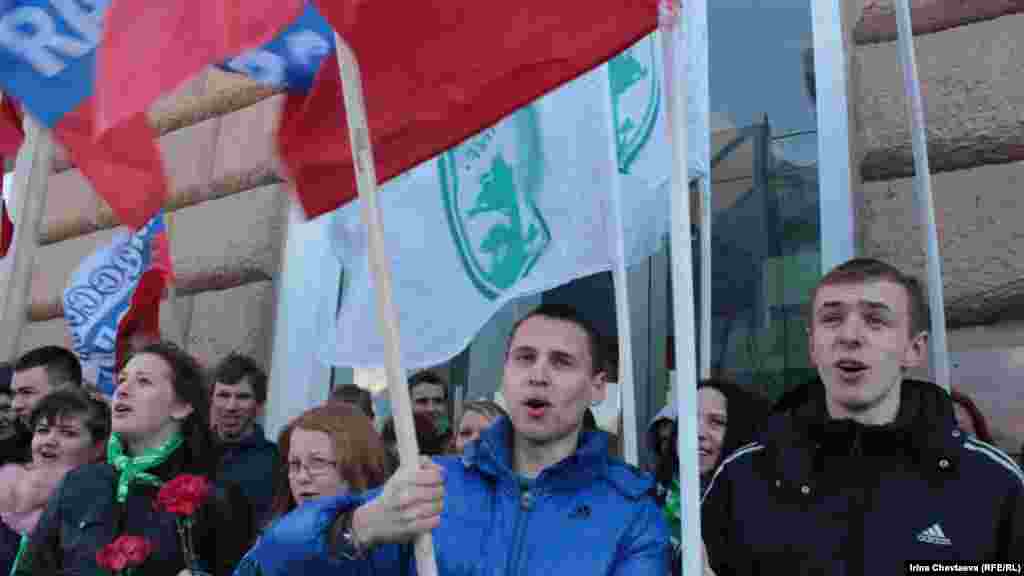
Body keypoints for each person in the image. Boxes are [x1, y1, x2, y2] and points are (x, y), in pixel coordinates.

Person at [233, 303, 669, 575]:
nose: (538, 374)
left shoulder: (630, 512)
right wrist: (360, 528)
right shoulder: (433, 484)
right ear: (505, 375)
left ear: (597, 387)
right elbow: (268, 562)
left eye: (561, 362)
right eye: (524, 358)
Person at [702, 258, 1024, 573]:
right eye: (832, 319)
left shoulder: (991, 485)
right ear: (812, 346)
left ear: (914, 348)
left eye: (875, 320)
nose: (850, 336)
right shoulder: (744, 479)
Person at [17, 341, 255, 576]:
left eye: (143, 381)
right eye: (121, 380)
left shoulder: (214, 497)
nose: (122, 390)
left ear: (182, 406)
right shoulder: (79, 482)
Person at [1, 388, 111, 574]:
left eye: (68, 433)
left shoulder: (100, 509)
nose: (49, 441)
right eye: (43, 430)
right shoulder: (6, 488)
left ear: (98, 447)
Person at [264, 403, 392, 528]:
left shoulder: (389, 536)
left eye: (318, 462)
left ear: (359, 466)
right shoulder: (276, 535)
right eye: (295, 464)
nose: (302, 477)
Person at [212, 354, 280, 527]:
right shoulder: (190, 451)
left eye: (242, 397)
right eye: (223, 395)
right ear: (211, 400)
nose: (231, 406)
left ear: (259, 405)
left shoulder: (278, 463)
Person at [6, 347, 83, 467]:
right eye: (13, 394)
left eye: (27, 392)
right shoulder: (9, 455)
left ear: (67, 391)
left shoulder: (109, 454)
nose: (15, 405)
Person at [409, 371, 450, 440]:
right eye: (422, 401)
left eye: (438, 401)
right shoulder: (394, 442)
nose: (431, 409)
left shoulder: (454, 441)